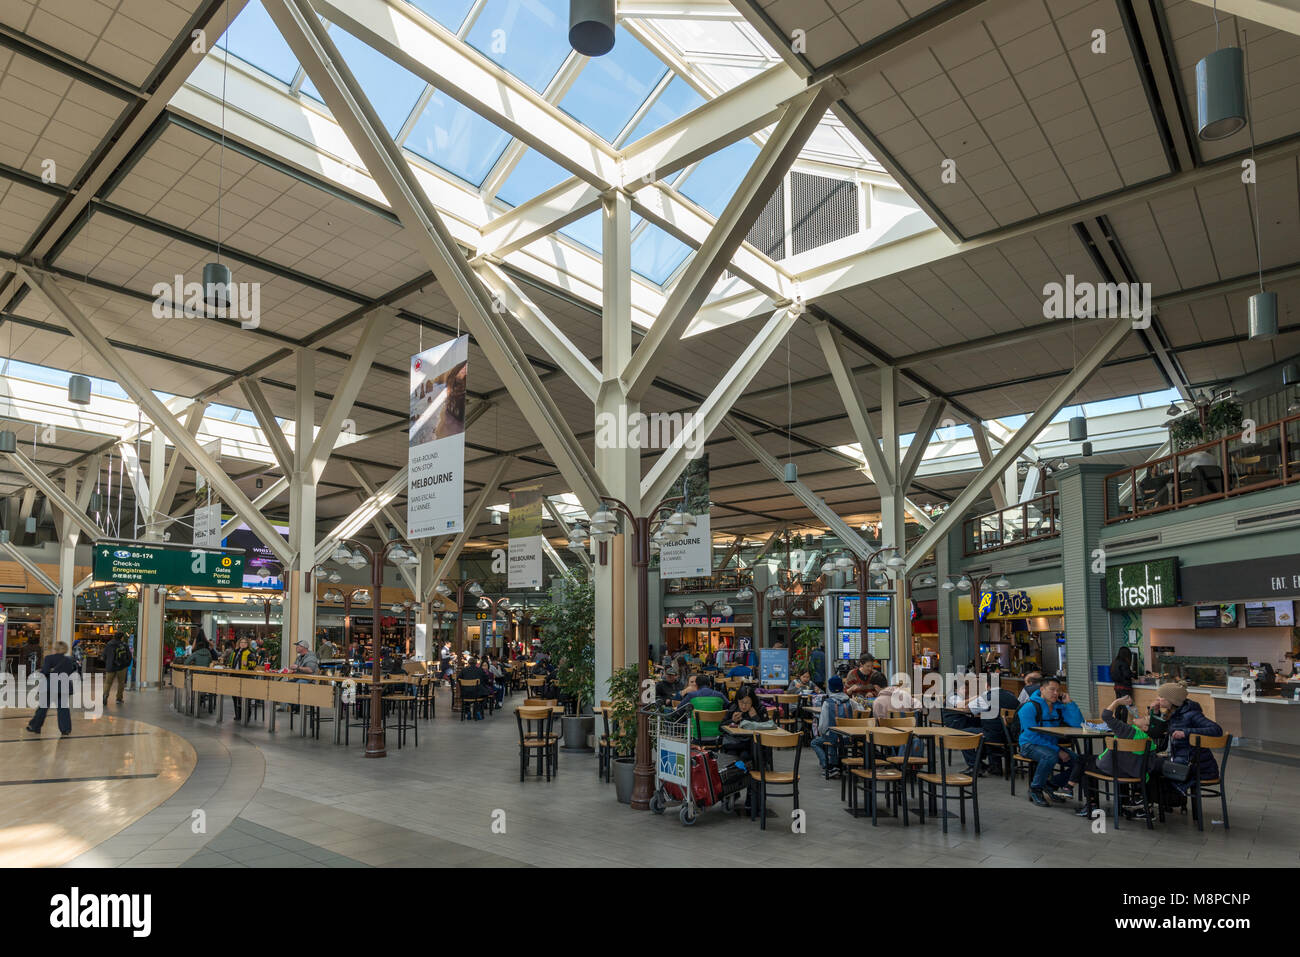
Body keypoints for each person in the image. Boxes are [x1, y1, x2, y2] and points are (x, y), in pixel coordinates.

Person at [1076, 695, 1161, 819]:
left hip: (1114, 770)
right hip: (1135, 773)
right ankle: (1130, 800)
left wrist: (1117, 702)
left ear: (1145, 727)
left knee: (1086, 765)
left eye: (1144, 718)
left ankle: (1091, 804)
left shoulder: (1126, 731)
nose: (1140, 716)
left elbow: (1106, 716)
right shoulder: (1149, 740)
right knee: (1098, 761)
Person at [1016, 676, 1083, 807]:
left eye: (1058, 690)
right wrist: (1057, 751)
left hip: (1051, 746)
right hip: (1029, 745)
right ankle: (1035, 789)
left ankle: (1051, 785)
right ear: (1042, 689)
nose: (1056, 693)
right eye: (1052, 689)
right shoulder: (1029, 707)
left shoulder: (1058, 707)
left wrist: (1070, 704)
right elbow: (1031, 734)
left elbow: (1078, 724)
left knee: (1080, 762)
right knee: (1050, 756)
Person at [1152, 682, 1223, 790]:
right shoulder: (1173, 713)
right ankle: (1168, 803)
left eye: (1161, 696)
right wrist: (1155, 712)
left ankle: (1166, 802)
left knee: (1150, 765)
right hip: (1182, 761)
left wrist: (1186, 732)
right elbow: (1160, 732)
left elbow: (1217, 730)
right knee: (1149, 763)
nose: (1158, 699)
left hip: (1197, 767)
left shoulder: (1191, 714)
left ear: (1171, 700)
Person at [25, 640, 78, 736]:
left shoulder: (49, 658)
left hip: (50, 686)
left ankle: (35, 726)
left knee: (43, 708)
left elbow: (45, 672)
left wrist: (43, 671)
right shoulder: (69, 660)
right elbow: (70, 671)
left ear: (55, 648)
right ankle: (65, 729)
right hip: (64, 686)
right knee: (63, 709)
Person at [809, 675, 859, 774]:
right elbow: (861, 711)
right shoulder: (850, 702)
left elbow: (823, 725)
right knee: (838, 739)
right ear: (842, 687)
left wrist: (822, 732)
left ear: (830, 688)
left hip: (833, 737)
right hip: (849, 737)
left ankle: (828, 765)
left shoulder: (827, 703)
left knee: (815, 742)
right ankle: (841, 764)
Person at [225, 637, 257, 719]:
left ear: (247, 644)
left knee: (245, 697)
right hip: (234, 676)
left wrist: (248, 663)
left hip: (246, 677)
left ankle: (246, 715)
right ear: (239, 643)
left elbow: (254, 664)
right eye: (241, 642)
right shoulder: (235, 652)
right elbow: (231, 663)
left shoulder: (250, 652)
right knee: (235, 696)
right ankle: (238, 715)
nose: (243, 644)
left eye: (245, 643)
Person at [101, 631, 132, 705]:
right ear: (121, 637)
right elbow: (129, 656)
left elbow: (103, 656)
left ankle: (105, 696)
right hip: (121, 667)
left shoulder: (109, 644)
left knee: (108, 683)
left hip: (110, 667)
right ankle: (119, 698)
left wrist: (108, 663)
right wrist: (126, 664)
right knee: (121, 683)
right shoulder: (124, 645)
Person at [1110, 648, 1135, 713]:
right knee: (1125, 706)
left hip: (1117, 686)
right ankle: (1123, 722)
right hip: (1125, 687)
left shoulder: (1114, 662)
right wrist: (1133, 674)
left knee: (1118, 704)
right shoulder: (1124, 663)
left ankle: (1117, 721)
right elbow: (1127, 675)